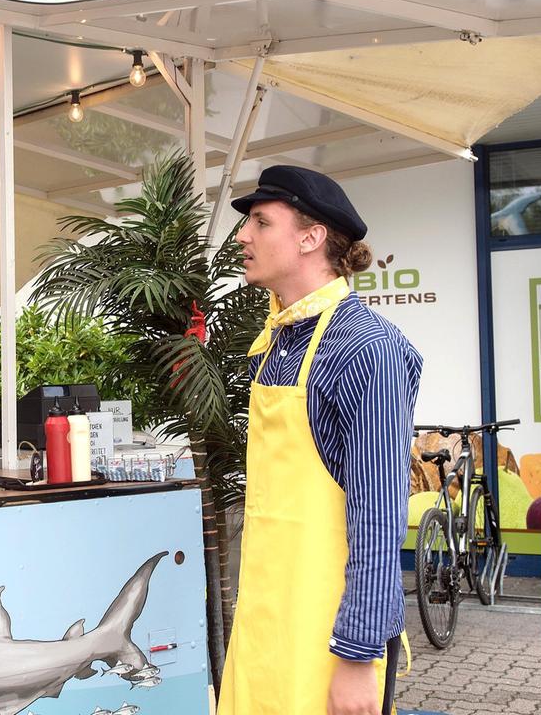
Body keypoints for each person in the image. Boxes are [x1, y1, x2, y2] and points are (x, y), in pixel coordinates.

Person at [216, 166, 421, 715]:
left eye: (261, 222)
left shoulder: (365, 348)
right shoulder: (278, 343)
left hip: (326, 644)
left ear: (311, 238)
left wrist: (356, 660)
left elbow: (378, 517)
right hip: (265, 627)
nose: (242, 236)